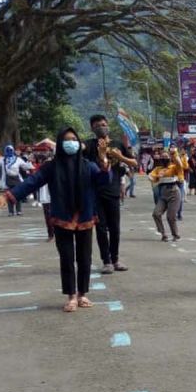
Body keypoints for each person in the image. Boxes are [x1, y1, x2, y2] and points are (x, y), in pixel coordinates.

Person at [0, 127, 112, 313]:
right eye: (66, 140)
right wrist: (8, 196)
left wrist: (104, 160)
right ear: (60, 143)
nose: (70, 142)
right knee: (66, 258)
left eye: (73, 139)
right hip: (62, 218)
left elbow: (104, 181)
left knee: (85, 259)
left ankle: (82, 294)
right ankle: (71, 296)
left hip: (85, 217)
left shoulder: (89, 165)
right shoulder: (52, 167)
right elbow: (32, 182)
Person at [84, 115, 137, 274]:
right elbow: (80, 151)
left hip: (113, 192)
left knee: (115, 228)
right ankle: (106, 261)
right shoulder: (89, 145)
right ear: (92, 128)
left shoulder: (117, 144)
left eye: (104, 124)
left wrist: (119, 156)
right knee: (100, 228)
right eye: (99, 125)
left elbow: (134, 163)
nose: (103, 127)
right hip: (95, 193)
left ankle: (115, 259)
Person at [148, 146, 187, 242]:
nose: (164, 159)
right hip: (163, 194)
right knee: (156, 214)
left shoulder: (174, 167)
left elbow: (179, 164)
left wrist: (175, 153)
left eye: (166, 157)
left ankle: (175, 235)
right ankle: (163, 234)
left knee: (171, 216)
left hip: (174, 192)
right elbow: (150, 177)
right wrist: (158, 175)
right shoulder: (158, 169)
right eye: (163, 157)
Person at [0, 145, 33, 215]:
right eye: (8, 150)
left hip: (17, 178)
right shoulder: (3, 159)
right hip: (8, 179)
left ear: (13, 151)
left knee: (18, 195)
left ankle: (18, 211)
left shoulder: (17, 159)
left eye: (10, 150)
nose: (9, 152)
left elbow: (25, 167)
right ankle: (11, 211)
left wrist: (29, 161)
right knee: (9, 195)